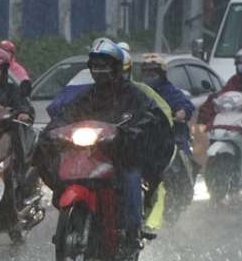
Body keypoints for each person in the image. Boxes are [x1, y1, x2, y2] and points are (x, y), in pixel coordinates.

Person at [41, 39, 175, 245]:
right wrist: (52, 131)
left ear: (115, 67)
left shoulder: (135, 95)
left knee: (131, 179)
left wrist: (133, 131)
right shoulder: (87, 96)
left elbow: (151, 118)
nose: (99, 70)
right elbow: (67, 115)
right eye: (96, 66)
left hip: (123, 155)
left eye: (104, 65)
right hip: (91, 156)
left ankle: (132, 233)